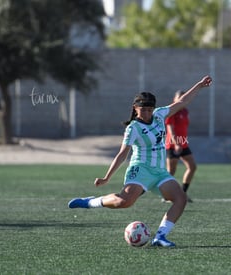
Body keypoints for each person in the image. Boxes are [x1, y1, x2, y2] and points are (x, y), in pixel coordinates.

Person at [68, 75, 212, 247]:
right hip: (140, 170)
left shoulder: (159, 115)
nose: (147, 113)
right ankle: (90, 202)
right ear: (135, 108)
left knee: (180, 199)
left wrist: (199, 85)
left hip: (159, 173)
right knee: (124, 202)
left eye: (150, 109)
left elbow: (182, 102)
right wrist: (106, 177)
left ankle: (160, 237)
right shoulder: (133, 128)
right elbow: (122, 154)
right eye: (143, 109)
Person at [164, 90, 196, 203]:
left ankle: (183, 193)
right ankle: (166, 195)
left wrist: (181, 142)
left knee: (192, 167)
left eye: (184, 97)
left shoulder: (185, 111)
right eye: (179, 97)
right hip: (173, 144)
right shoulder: (172, 111)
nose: (182, 99)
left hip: (183, 142)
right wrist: (176, 143)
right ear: (174, 99)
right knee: (171, 171)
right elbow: (170, 129)